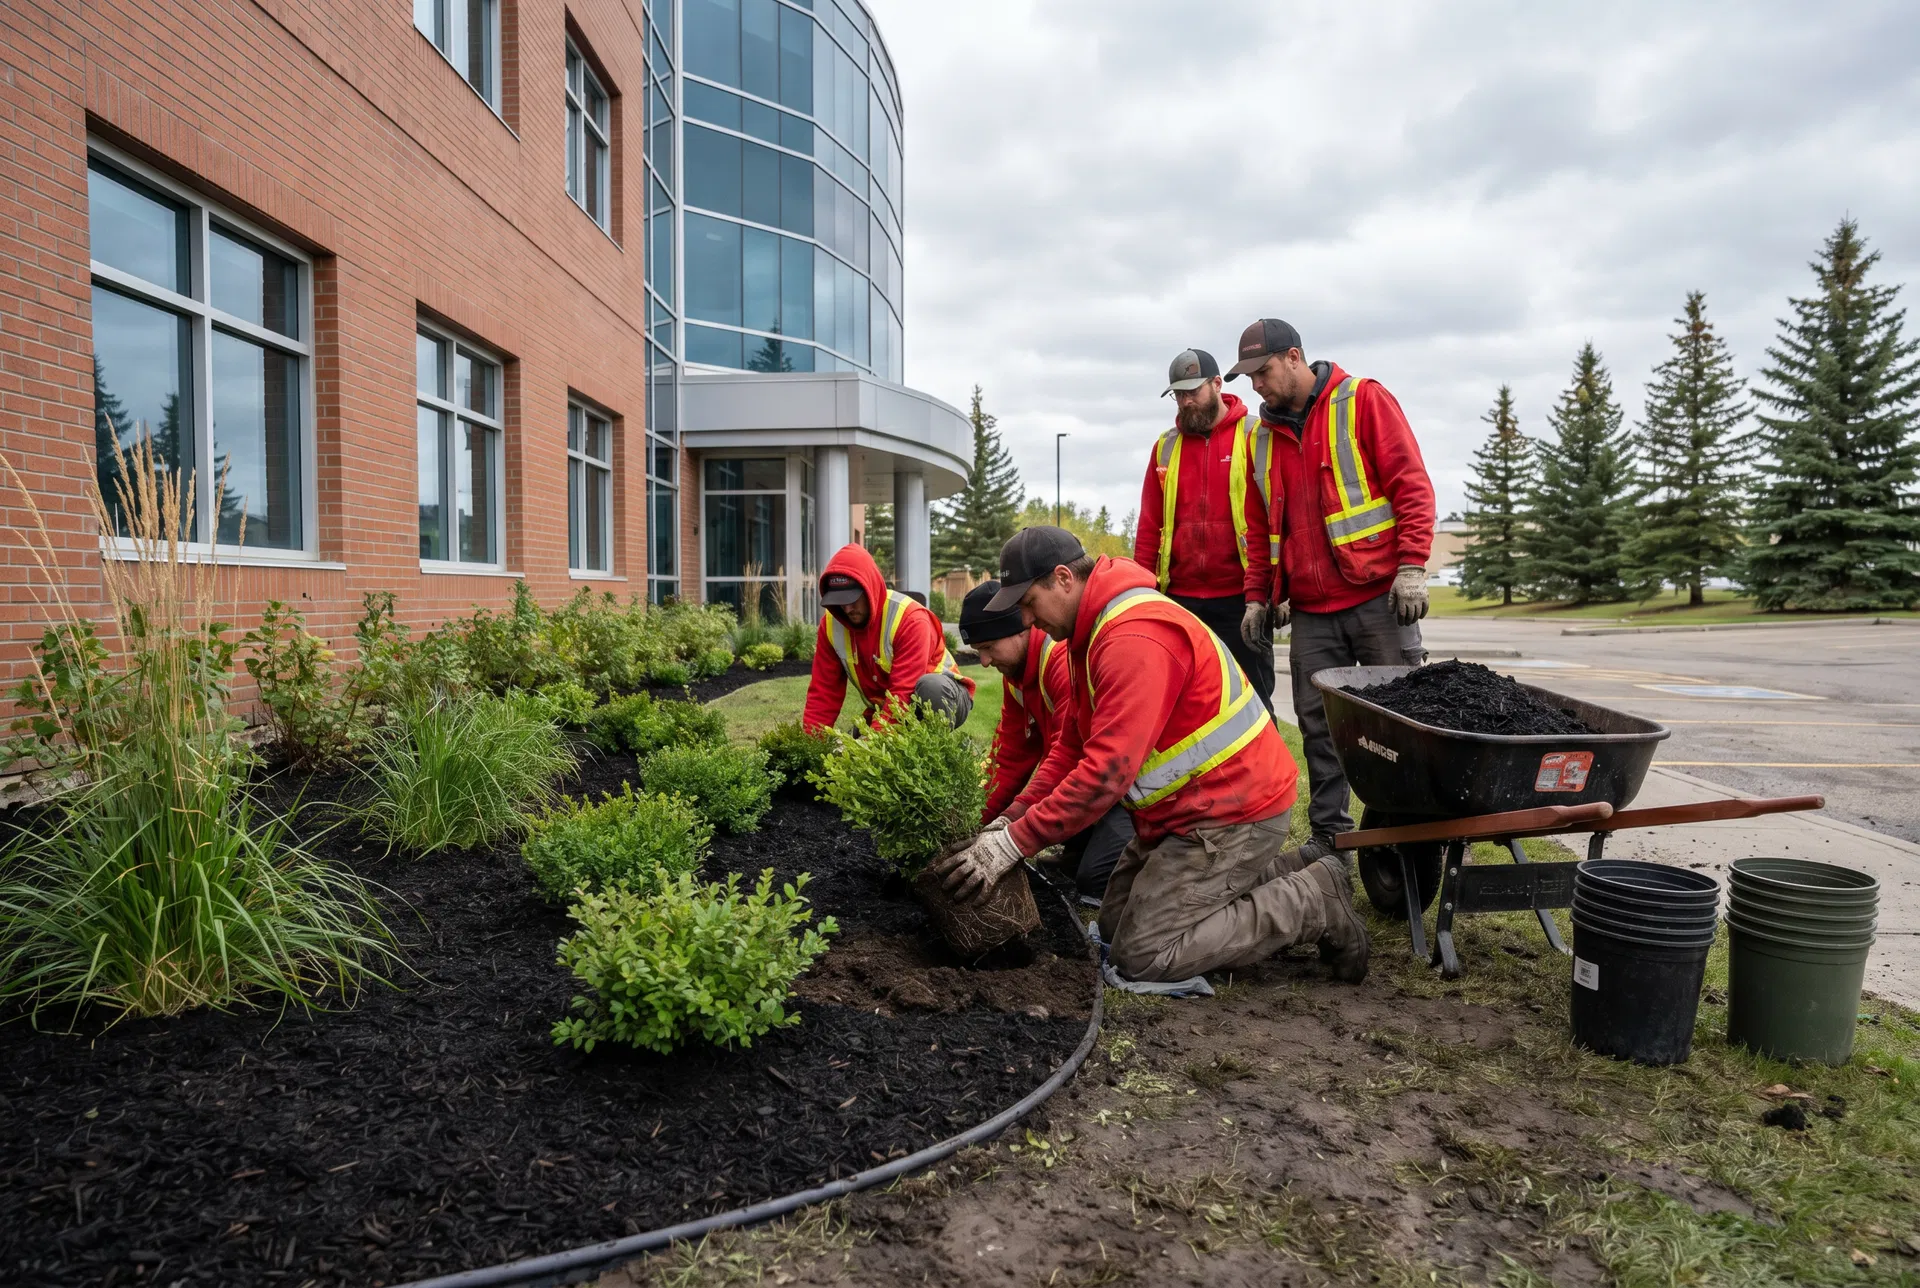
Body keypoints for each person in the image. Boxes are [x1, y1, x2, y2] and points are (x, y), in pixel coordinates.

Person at [930, 527, 1368, 984]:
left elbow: (1104, 774)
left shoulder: (1130, 637)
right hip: (1187, 812)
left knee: (1144, 956)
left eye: (1027, 602)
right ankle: (1294, 871)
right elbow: (1072, 749)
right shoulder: (1089, 633)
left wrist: (1016, 843)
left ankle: (1314, 901)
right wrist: (1011, 819)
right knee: (1115, 928)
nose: (1026, 618)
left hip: (1234, 810)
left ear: (1063, 578)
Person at [1228, 317, 1436, 861]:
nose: (1256, 386)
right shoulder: (1263, 438)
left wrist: (1412, 565)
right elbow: (1259, 526)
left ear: (1294, 357)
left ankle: (1408, 841)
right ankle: (1331, 840)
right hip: (1314, 613)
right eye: (1248, 377)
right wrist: (1257, 595)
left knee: (1401, 727)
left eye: (1263, 371)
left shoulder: (1362, 400)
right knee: (1321, 731)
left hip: (1378, 601)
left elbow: (1411, 483)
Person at [959, 580, 1133, 903]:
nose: (983, 661)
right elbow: (1009, 759)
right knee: (1070, 874)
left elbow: (1071, 757)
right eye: (978, 651)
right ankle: (1082, 846)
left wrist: (1014, 836)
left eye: (989, 647)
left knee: (1093, 882)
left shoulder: (1058, 662)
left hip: (1122, 789)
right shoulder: (1016, 678)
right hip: (1091, 783)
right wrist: (982, 825)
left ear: (1018, 631)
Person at [1133, 349, 1278, 719]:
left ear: (1217, 384)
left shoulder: (1256, 436)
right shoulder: (1165, 447)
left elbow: (1278, 516)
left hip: (1242, 600)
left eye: (1192, 392)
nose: (1185, 401)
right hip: (1180, 599)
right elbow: (1150, 526)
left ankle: (1268, 776)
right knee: (1187, 706)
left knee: (1254, 701)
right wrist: (1141, 593)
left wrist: (1277, 590)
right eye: (1178, 395)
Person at [802, 543, 975, 732]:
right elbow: (823, 692)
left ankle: (931, 754)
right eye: (839, 601)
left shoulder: (910, 619)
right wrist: (811, 746)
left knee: (931, 689)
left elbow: (903, 692)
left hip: (945, 695)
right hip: (887, 704)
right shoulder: (830, 626)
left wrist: (872, 746)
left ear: (869, 588)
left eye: (852, 599)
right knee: (853, 746)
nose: (847, 608)